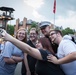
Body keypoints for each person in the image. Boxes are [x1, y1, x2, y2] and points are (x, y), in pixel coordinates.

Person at [0, 29, 65, 75]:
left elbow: (28, 50)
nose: (36, 44)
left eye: (39, 43)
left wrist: (10, 38)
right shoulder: (44, 52)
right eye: (31, 34)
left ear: (45, 44)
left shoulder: (45, 53)